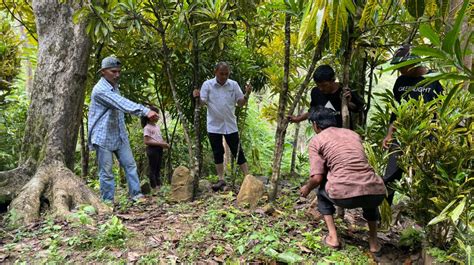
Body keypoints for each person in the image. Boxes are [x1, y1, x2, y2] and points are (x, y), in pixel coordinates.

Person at [299, 107, 386, 254]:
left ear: (315, 125)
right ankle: (374, 242)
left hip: (344, 197)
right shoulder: (353, 134)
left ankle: (333, 238)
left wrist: (307, 188)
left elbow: (317, 177)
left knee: (321, 192)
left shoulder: (317, 140)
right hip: (376, 192)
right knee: (368, 189)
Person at [88, 56, 159, 203]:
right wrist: (145, 111)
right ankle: (108, 202)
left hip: (119, 134)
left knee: (130, 165)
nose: (117, 75)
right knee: (106, 172)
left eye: (119, 71)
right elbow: (121, 103)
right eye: (113, 71)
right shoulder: (100, 90)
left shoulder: (114, 86)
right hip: (102, 136)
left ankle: (136, 195)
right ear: (103, 72)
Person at [382, 45, 443, 205]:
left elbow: (441, 111)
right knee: (390, 176)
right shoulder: (400, 81)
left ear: (415, 62)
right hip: (401, 135)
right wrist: (389, 134)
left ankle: (420, 217)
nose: (399, 70)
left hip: (427, 137)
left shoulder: (434, 80)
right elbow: (396, 112)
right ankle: (382, 215)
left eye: (403, 66)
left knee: (423, 177)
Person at [193, 62, 251, 191]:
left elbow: (241, 103)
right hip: (214, 125)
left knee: (237, 150)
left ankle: (248, 177)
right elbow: (202, 103)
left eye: (226, 74)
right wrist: (197, 96)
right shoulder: (208, 85)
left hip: (230, 124)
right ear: (216, 72)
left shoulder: (233, 85)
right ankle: (221, 179)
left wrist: (247, 94)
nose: (224, 76)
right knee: (218, 152)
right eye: (221, 74)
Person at [288, 64, 365, 127]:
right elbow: (313, 111)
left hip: (343, 135)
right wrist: (297, 119)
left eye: (324, 85)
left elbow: (357, 108)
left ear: (333, 80)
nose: (321, 89)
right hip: (325, 137)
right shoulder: (315, 92)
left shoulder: (344, 90)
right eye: (318, 85)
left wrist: (347, 103)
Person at [141, 106, 170, 192]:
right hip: (152, 149)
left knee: (158, 168)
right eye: (156, 115)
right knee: (153, 168)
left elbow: (157, 138)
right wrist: (161, 144)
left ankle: (159, 185)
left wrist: (164, 144)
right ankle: (154, 187)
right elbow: (146, 141)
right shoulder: (147, 127)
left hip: (158, 149)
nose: (158, 116)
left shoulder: (156, 126)